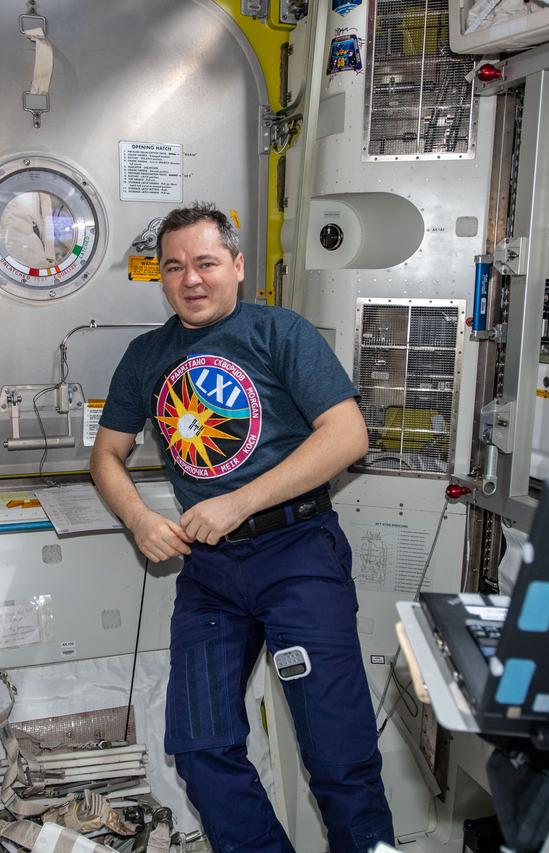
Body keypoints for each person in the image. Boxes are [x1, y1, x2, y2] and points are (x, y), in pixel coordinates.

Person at [90, 203, 395, 852]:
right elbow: (105, 456)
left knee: (338, 754)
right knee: (198, 744)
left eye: (205, 262)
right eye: (174, 267)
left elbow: (346, 435)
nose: (190, 279)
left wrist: (238, 501)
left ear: (237, 265)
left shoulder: (278, 331)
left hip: (297, 555)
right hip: (211, 573)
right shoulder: (146, 356)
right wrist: (139, 516)